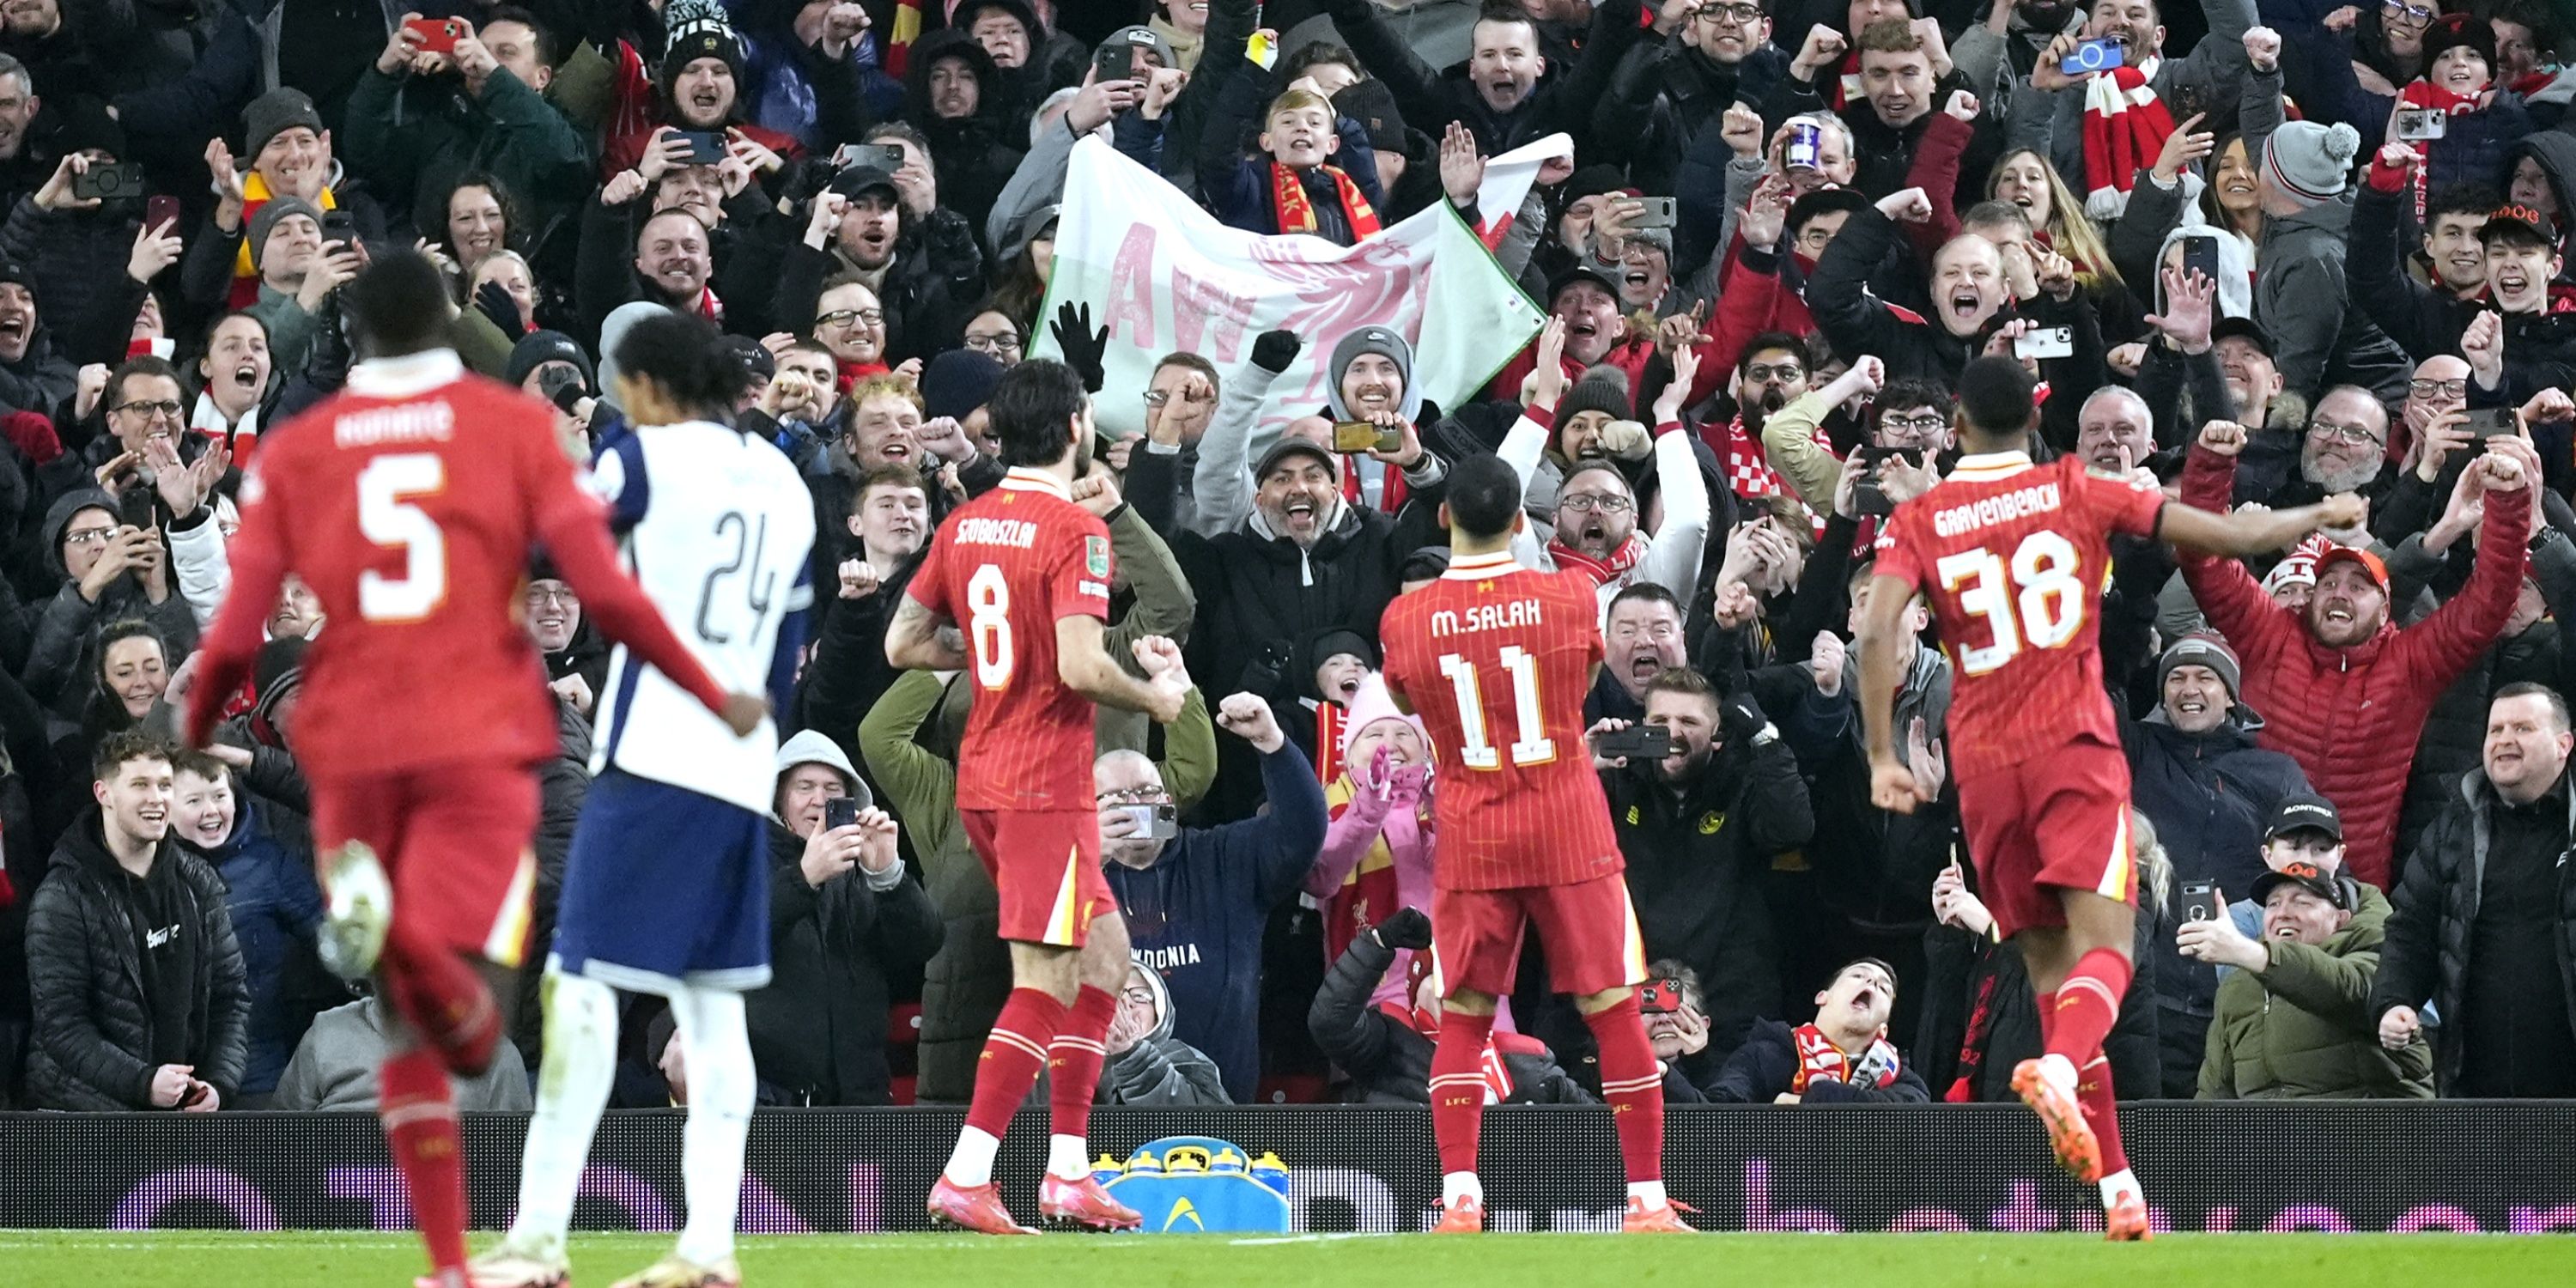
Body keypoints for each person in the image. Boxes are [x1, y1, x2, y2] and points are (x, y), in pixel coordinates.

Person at [178, 252, 764, 1288]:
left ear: (354, 335)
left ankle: (447, 1257)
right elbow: (607, 594)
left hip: (356, 748)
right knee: (483, 1008)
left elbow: (236, 622)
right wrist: (709, 690)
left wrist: (192, 715)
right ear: (448, 328)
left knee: (409, 1013)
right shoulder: (511, 430)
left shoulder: (303, 448)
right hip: (478, 743)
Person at [1856, 356, 2365, 1240]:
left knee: (2057, 980)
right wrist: (2318, 513)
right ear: (2033, 422)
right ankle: (2056, 1071)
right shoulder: (2075, 486)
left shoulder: (1922, 516)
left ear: (1961, 428)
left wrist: (1880, 754)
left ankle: (2119, 1185)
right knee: (2111, 955)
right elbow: (2225, 539)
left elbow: (1875, 630)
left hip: (1982, 766)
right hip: (2073, 748)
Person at [471, 309, 817, 1288]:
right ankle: (709, 1244)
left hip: (654, 759)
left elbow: (550, 549)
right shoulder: (789, 484)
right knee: (713, 1017)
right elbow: (791, 646)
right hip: (741, 772)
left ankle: (538, 1239)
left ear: (649, 387)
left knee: (578, 990)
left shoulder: (644, 457)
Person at [884, 357, 1194, 1235]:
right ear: (1072, 429)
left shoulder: (968, 522)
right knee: (1048, 980)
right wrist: (1158, 698)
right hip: (1041, 785)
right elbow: (1082, 666)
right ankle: (967, 1174)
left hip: (988, 774)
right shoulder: (1074, 531)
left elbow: (905, 644)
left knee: (1103, 961)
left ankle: (1066, 1173)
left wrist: (991, 661)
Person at [1377, 450, 1689, 1234]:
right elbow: (1581, 683)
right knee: (1615, 1007)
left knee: (1464, 1015)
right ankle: (1646, 1202)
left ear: (1446, 517)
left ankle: (1459, 1201)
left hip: (1474, 836)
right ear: (1523, 521)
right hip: (1567, 826)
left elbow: (1409, 694)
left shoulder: (1403, 617)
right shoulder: (1568, 595)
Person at [22, 732, 249, 1111]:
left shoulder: (198, 880)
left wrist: (219, 1085)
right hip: (88, 1118)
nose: (157, 798)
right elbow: (63, 1027)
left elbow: (231, 997)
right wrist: (143, 1083)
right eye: (140, 785)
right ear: (103, 793)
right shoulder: (62, 898)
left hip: (183, 1113)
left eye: (165, 785)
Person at [2373, 683, 2576, 1097]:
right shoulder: (2451, 828)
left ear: (2563, 744)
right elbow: (2411, 928)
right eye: (2496, 729)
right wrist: (2394, 1000)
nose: (2504, 740)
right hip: (2475, 1084)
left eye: (2523, 728)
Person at [2185, 854, 2433, 1099]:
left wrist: (2252, 954)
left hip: (2373, 1134)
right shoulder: (2237, 986)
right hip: (2270, 1138)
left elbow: (2352, 990)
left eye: (2302, 902)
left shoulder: (2377, 958)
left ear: (2340, 919)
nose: (2283, 913)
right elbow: (2214, 1093)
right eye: (2273, 904)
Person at [1704, 957, 1929, 1103]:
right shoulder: (1764, 1055)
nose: (1871, 982)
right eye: (1858, 975)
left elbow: (1909, 1128)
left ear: (1883, 1030)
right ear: (1822, 997)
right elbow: (1719, 1113)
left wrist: (1806, 1101)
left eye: (1883, 988)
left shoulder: (1903, 1080)